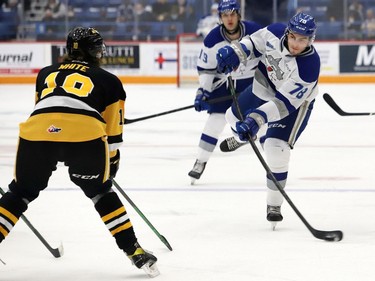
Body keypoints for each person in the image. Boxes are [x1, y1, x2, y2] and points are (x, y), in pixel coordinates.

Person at [0, 27, 159, 277]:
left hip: (37, 134)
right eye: (97, 47)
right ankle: (135, 251)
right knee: (102, 193)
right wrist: (111, 166)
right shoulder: (109, 81)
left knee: (19, 194)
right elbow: (113, 138)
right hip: (84, 137)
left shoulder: (45, 74)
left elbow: (43, 110)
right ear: (91, 51)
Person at [216, 12, 320, 228]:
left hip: (293, 105)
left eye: (303, 40)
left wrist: (256, 119)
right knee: (231, 116)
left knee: (275, 148)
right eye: (294, 37)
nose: (296, 44)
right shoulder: (274, 31)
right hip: (264, 87)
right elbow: (253, 43)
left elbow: (282, 104)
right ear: (287, 33)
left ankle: (274, 204)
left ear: (311, 40)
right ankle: (245, 137)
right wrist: (234, 52)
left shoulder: (309, 67)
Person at [188, 0, 261, 184]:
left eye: (232, 14)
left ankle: (244, 141)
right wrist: (202, 92)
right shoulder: (212, 39)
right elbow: (206, 70)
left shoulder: (255, 31)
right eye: (225, 15)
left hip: (251, 83)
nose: (229, 19)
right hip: (223, 83)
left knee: (261, 120)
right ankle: (201, 161)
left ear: (238, 15)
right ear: (220, 18)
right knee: (215, 121)